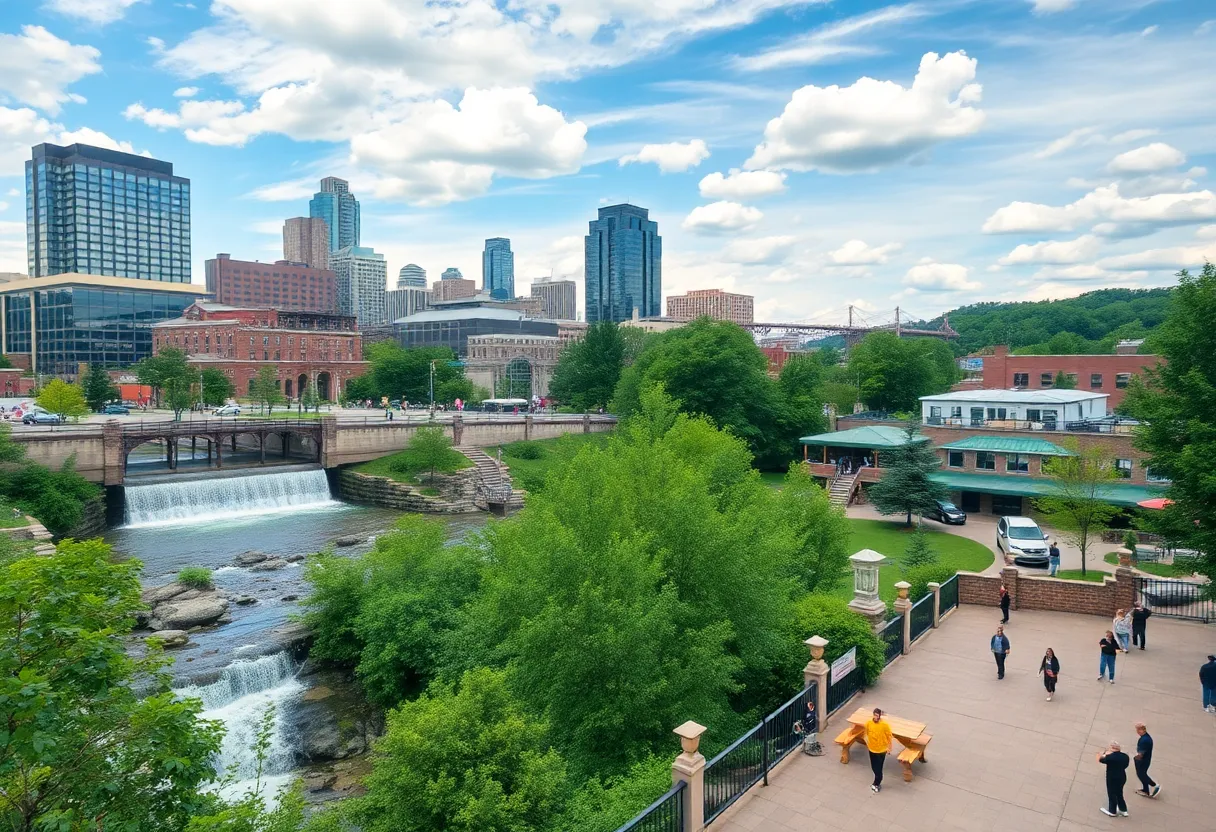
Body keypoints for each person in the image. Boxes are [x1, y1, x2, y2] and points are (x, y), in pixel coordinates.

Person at [1098, 741, 1130, 818]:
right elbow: (1126, 765)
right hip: (1122, 776)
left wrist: (1105, 754)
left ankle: (1112, 810)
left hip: (1112, 777)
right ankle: (1123, 809)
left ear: (1112, 748)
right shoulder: (1125, 756)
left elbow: (1101, 760)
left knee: (1112, 793)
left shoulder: (1110, 757)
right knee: (1119, 793)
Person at [864, 708, 893, 793]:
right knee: (873, 767)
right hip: (872, 749)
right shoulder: (868, 723)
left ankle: (876, 783)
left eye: (877, 715)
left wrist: (889, 748)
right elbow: (866, 733)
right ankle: (876, 782)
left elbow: (889, 736)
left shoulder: (884, 725)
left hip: (881, 750)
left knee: (879, 768)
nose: (875, 717)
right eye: (874, 715)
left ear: (880, 716)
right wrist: (867, 742)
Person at [1132, 723, 1160, 798]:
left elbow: (1141, 753)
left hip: (1143, 761)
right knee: (1142, 774)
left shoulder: (1144, 740)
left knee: (1141, 774)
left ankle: (1154, 785)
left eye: (1138, 730)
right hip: (1146, 759)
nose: (1137, 731)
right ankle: (1146, 790)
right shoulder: (1147, 737)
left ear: (1142, 730)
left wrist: (1136, 758)